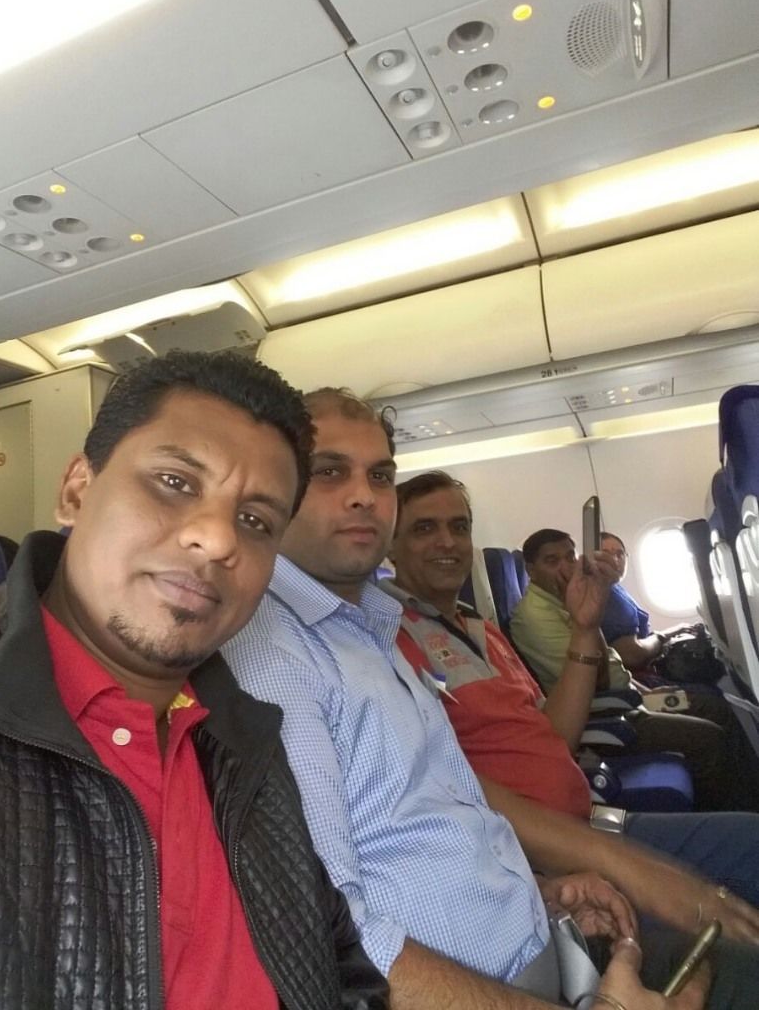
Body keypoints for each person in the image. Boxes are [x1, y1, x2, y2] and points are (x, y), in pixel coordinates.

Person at [223, 387, 759, 1010]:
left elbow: (443, 805)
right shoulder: (272, 656)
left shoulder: (371, 630)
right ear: (276, 487)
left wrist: (542, 895)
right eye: (330, 472)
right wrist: (624, 869)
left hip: (545, 926)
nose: (364, 495)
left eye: (380, 476)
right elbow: (335, 936)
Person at [0, 352, 389, 1010]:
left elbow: (343, 972)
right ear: (76, 491)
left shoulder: (247, 742)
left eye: (255, 521)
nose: (217, 539)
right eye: (175, 482)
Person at [385, 469, 759, 908]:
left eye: (459, 527)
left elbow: (556, 735)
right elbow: (446, 788)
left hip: (586, 819)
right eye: (424, 529)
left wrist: (585, 627)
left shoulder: (479, 627)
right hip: (539, 858)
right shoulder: (391, 640)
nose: (447, 542)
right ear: (390, 544)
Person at [511, 528, 759, 813]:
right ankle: (736, 820)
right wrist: (589, 622)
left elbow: (611, 665)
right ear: (531, 570)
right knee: (710, 739)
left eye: (570, 556)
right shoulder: (534, 617)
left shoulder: (563, 601)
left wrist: (647, 690)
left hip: (629, 695)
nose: (566, 567)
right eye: (552, 561)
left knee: (715, 707)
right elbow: (597, 680)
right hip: (606, 713)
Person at [599, 532, 698, 672]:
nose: (615, 559)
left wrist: (673, 631)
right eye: (606, 553)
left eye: (620, 554)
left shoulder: (615, 588)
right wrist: (661, 637)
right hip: (635, 674)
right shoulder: (610, 596)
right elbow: (632, 656)